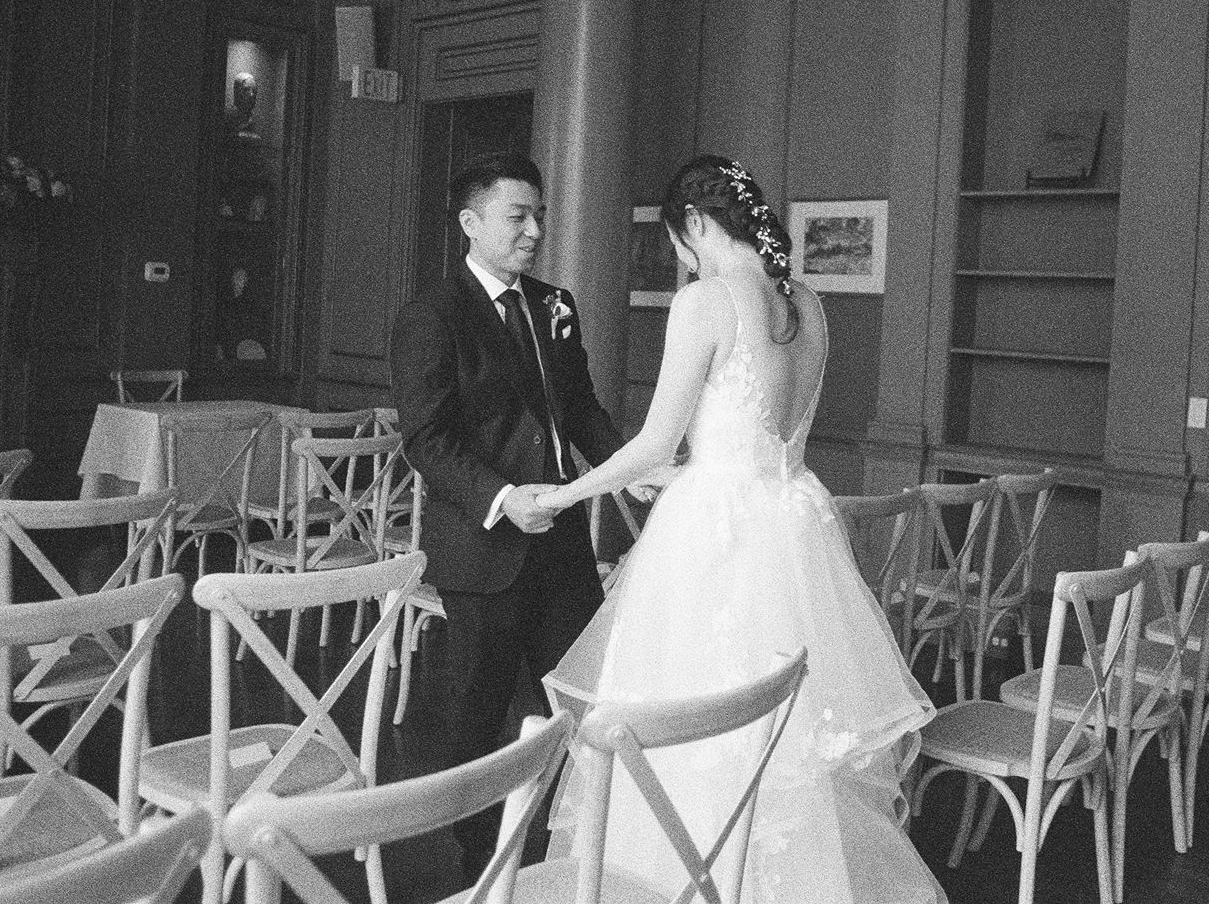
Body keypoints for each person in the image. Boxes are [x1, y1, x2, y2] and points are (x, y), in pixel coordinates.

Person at [537, 155, 946, 903]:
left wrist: (566, 493)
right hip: (793, 525)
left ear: (693, 224)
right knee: (786, 741)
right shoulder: (812, 305)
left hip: (712, 537)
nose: (680, 261)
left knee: (683, 728)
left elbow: (658, 443)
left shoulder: (705, 303)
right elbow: (764, 435)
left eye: (677, 243)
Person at [388, 151, 634, 876]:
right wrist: (502, 499)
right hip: (481, 552)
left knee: (588, 699)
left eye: (540, 215)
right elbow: (427, 438)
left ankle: (566, 850)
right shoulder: (431, 315)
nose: (534, 230)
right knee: (474, 720)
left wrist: (631, 470)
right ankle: (480, 869)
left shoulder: (554, 304)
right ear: (471, 223)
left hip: (562, 548)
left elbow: (580, 408)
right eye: (517, 216)